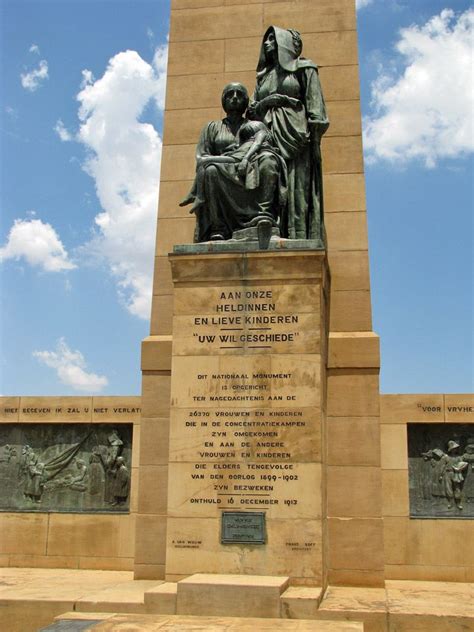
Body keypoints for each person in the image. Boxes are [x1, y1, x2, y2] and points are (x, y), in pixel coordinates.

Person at [249, 26, 329, 241]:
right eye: (265, 40)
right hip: (267, 135)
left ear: (284, 42)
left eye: (272, 39)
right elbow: (251, 110)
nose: (266, 44)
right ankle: (267, 226)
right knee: (269, 178)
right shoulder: (263, 78)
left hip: (296, 137)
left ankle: (296, 235)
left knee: (296, 189)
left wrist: (313, 136)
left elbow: (316, 110)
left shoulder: (304, 68)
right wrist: (267, 102)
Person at [180, 83, 286, 241]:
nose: (235, 97)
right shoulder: (212, 127)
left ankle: (263, 215)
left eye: (239, 94)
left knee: (269, 159)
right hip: (222, 173)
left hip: (250, 170)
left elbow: (263, 144)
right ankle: (218, 227)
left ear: (246, 101)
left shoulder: (254, 126)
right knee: (210, 171)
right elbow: (202, 157)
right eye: (230, 94)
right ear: (223, 100)